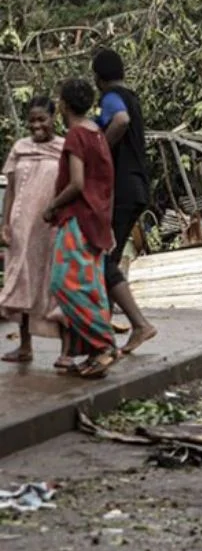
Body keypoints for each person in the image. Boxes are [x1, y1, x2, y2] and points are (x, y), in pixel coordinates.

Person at [43, 80, 117, 378]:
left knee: (64, 282)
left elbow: (77, 183)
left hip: (77, 218)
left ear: (63, 105)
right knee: (92, 284)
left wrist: (52, 206)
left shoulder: (75, 135)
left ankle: (104, 343)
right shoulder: (96, 133)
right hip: (97, 218)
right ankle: (93, 352)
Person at [93, 49, 157, 354]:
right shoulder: (132, 95)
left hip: (123, 189)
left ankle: (140, 324)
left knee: (104, 260)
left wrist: (98, 152)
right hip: (138, 186)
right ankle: (103, 332)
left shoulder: (112, 98)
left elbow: (119, 121)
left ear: (98, 79)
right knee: (110, 261)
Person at [1, 98, 65, 363]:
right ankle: (25, 346)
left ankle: (66, 351)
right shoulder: (20, 148)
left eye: (42, 119)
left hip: (51, 228)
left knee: (54, 284)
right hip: (22, 229)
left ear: (53, 119)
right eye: (32, 120)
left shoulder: (64, 148)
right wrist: (4, 224)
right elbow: (11, 190)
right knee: (22, 283)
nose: (37, 125)